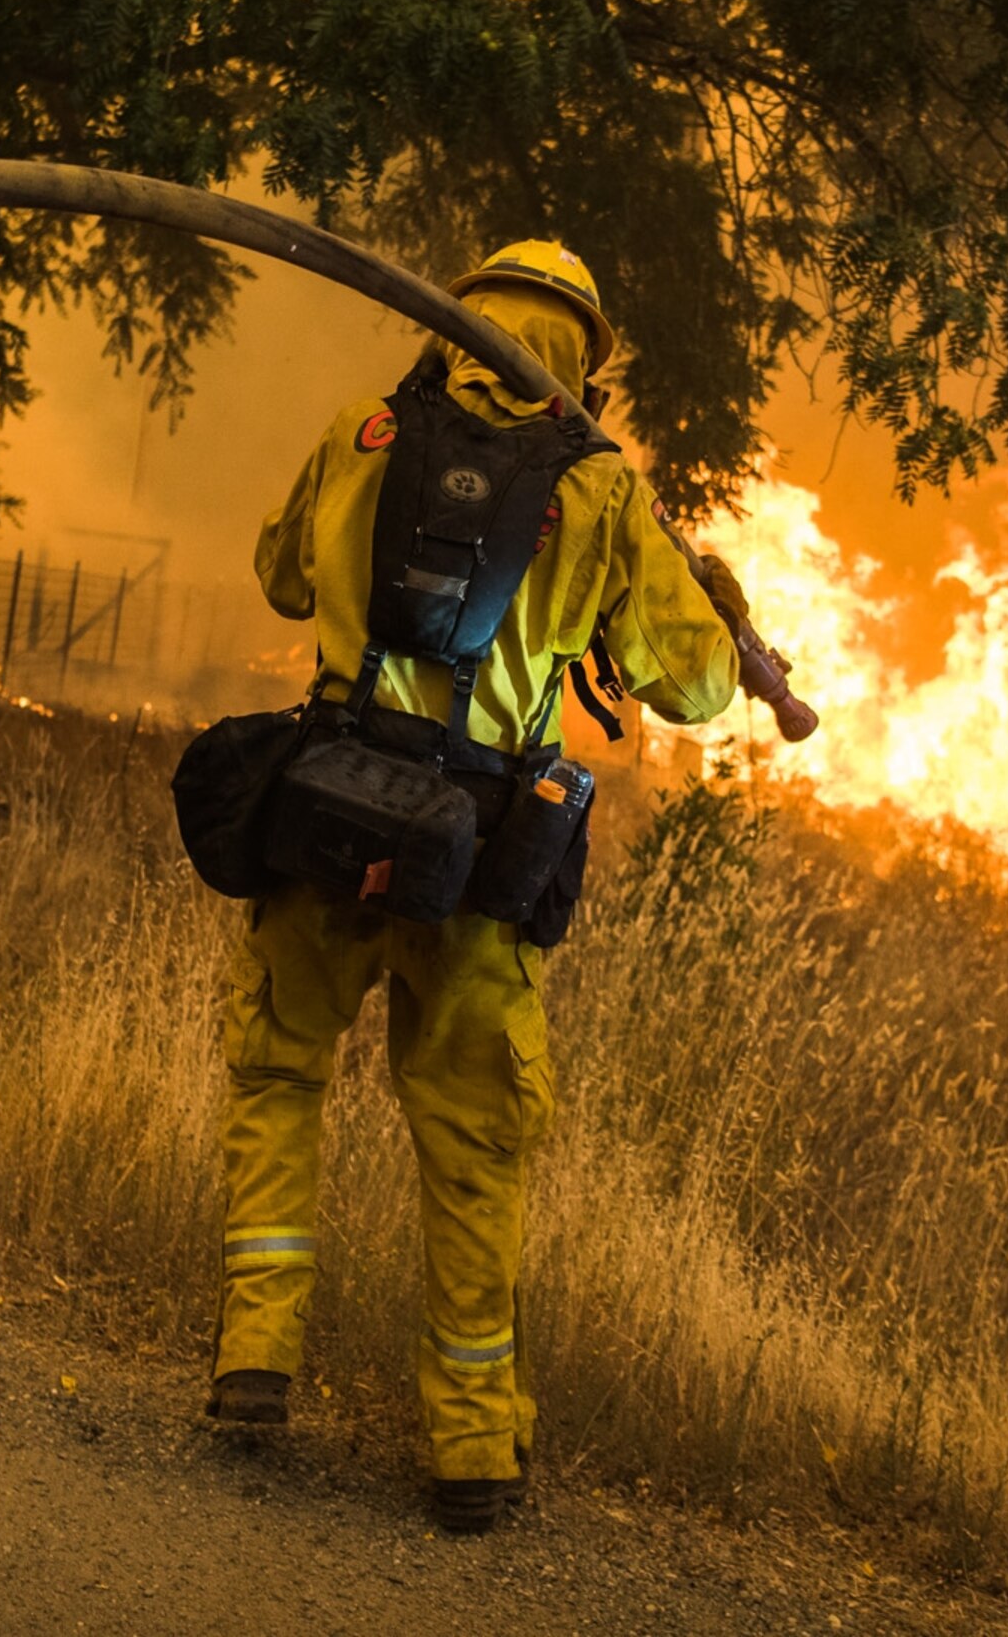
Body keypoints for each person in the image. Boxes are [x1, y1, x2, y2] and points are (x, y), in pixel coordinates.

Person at [208, 239, 738, 1534]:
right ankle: (471, 1451)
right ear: (584, 355)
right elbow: (700, 689)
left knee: (280, 1078)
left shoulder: (366, 428)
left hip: (326, 820)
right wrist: (712, 607)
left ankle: (254, 1359)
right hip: (478, 862)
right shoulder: (602, 488)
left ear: (459, 315)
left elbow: (282, 576)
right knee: (474, 1149)